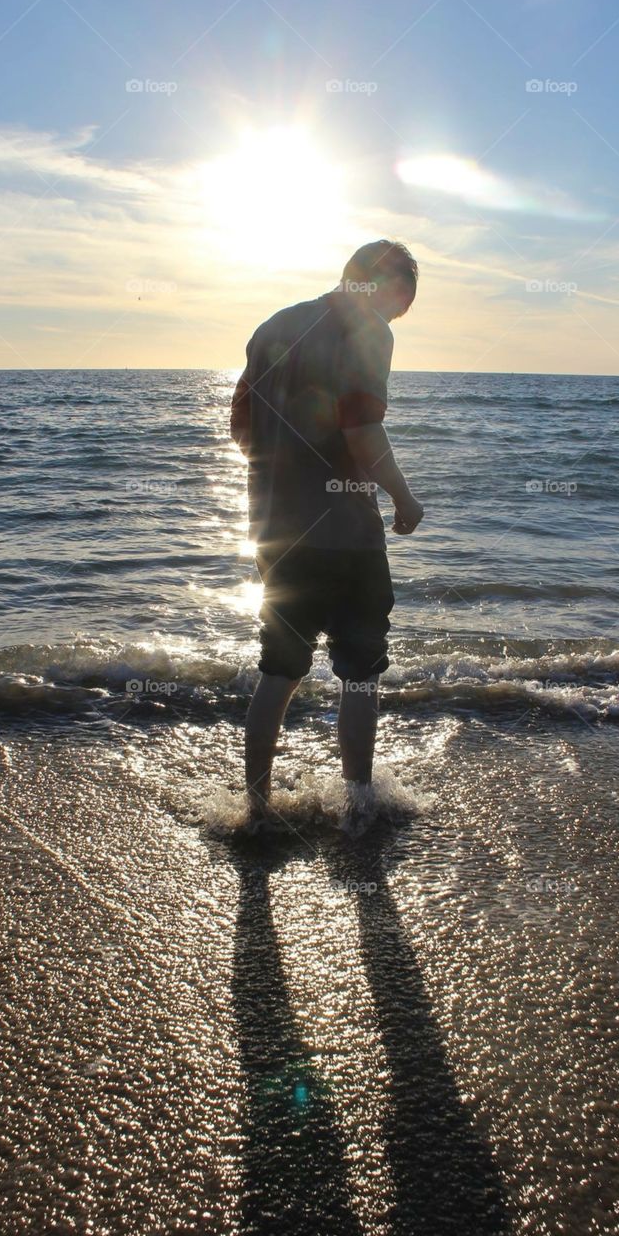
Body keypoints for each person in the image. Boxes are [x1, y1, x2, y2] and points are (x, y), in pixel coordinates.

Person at [231, 240, 424, 823]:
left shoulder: (274, 326)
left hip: (275, 530)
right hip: (346, 536)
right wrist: (403, 496)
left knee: (280, 667)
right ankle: (359, 807)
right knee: (361, 670)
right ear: (385, 288)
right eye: (397, 306)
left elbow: (241, 428)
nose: (392, 320)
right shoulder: (368, 330)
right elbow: (362, 427)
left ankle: (257, 809)